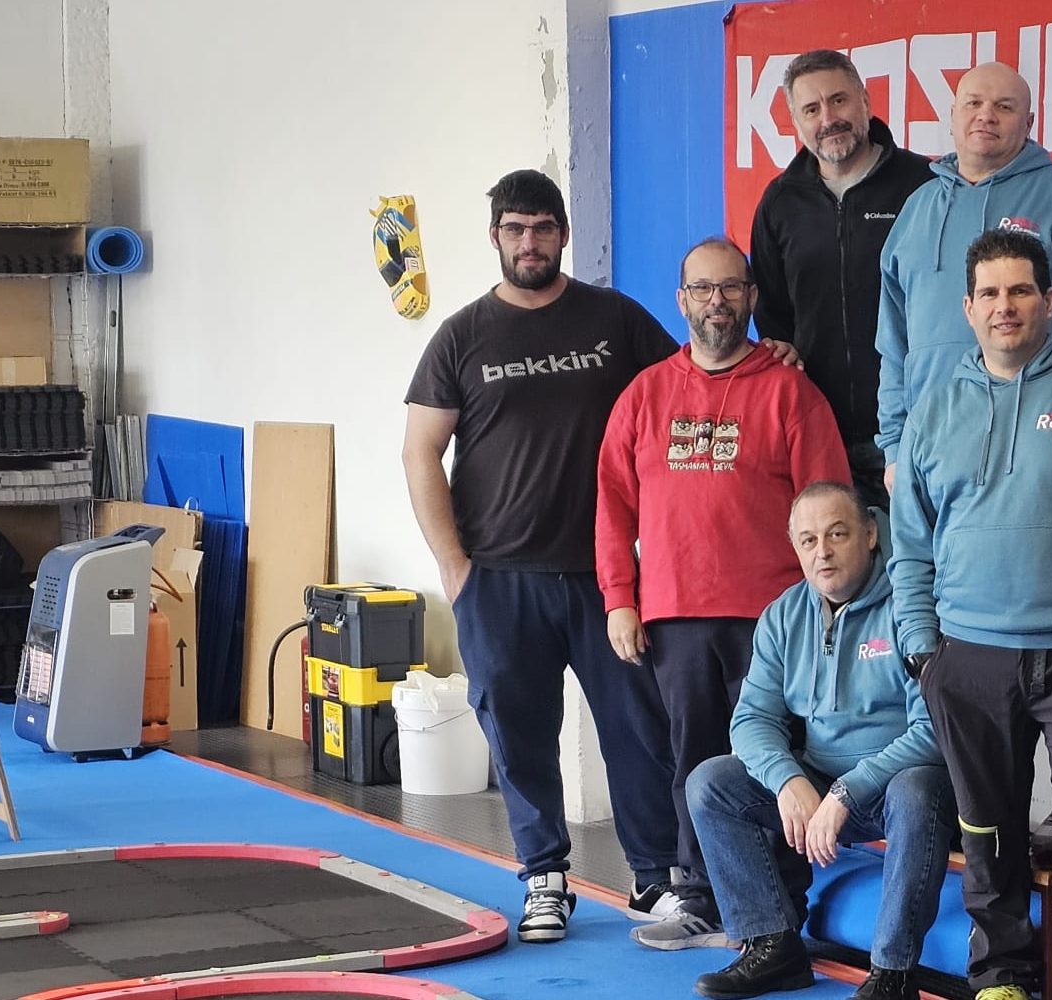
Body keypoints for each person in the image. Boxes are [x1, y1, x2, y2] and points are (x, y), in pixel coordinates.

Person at [402, 168, 683, 943]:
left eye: (544, 228)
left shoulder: (614, 320)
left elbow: (686, 387)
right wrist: (454, 567)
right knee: (518, 732)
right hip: (498, 578)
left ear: (563, 234)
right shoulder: (462, 335)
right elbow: (421, 451)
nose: (531, 242)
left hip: (605, 577)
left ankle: (655, 878)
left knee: (638, 728)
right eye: (516, 229)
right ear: (495, 236)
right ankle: (543, 877)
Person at [890, 229, 1052, 1000]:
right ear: (967, 308)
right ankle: (1001, 976)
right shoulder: (932, 411)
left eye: (1019, 291)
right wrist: (922, 648)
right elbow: (910, 545)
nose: (1004, 306)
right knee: (988, 830)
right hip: (967, 658)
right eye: (989, 294)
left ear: (1048, 301)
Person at [596, 236, 851, 949]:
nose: (718, 301)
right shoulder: (645, 395)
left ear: (752, 297)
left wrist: (828, 607)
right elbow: (612, 504)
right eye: (704, 289)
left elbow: (829, 503)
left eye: (732, 288)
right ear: (682, 301)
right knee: (692, 760)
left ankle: (782, 904)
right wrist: (620, 597)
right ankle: (699, 896)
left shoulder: (791, 393)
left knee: (776, 759)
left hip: (776, 620)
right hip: (674, 617)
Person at [684, 481, 956, 1000]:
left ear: (871, 534)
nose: (822, 552)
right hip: (820, 785)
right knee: (711, 783)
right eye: (808, 540)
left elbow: (936, 731)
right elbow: (751, 719)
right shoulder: (784, 615)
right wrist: (788, 780)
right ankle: (773, 946)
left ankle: (893, 974)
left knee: (917, 788)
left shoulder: (912, 606)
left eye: (837, 534)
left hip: (900, 786)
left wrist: (848, 791)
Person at [875, 61, 1052, 494]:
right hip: (933, 454)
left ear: (1029, 123)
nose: (986, 115)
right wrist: (895, 448)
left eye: (1004, 106)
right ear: (951, 116)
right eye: (973, 103)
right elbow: (894, 348)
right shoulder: (916, 211)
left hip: (1046, 452)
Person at [751, 50, 935, 509]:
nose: (828, 119)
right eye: (811, 109)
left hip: (917, 429)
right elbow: (773, 313)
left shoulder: (923, 184)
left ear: (865, 102)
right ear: (796, 122)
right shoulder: (779, 203)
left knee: (920, 555)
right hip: (820, 435)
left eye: (838, 100)